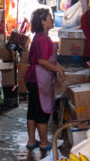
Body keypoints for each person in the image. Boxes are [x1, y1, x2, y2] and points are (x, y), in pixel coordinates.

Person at [24, 8, 64, 151]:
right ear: (43, 22)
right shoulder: (43, 39)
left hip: (33, 78)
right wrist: (57, 69)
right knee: (42, 111)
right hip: (38, 79)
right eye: (50, 18)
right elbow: (42, 61)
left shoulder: (38, 36)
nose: (52, 20)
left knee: (33, 110)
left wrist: (57, 66)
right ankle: (44, 142)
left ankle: (31, 140)